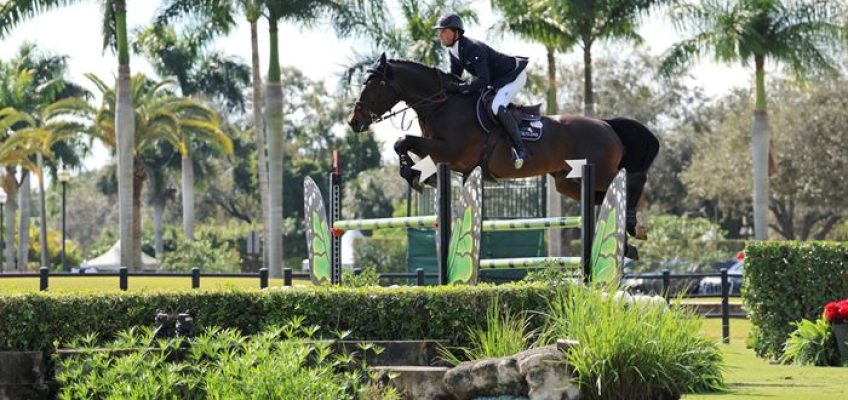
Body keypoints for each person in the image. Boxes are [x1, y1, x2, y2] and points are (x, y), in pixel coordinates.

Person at [434, 13, 531, 169]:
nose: (440, 35)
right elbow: (454, 77)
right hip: (497, 80)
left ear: (456, 33)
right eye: (439, 31)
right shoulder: (454, 51)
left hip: (513, 76)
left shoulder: (472, 48)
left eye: (444, 31)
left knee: (496, 106)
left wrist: (461, 88)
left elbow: (483, 81)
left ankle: (521, 150)